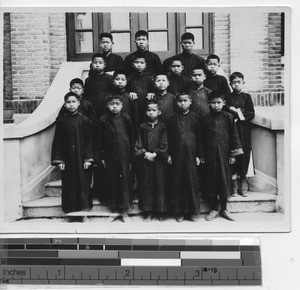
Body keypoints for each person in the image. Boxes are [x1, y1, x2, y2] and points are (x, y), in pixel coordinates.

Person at [199, 91, 243, 222]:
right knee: (211, 180)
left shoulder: (229, 117)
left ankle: (224, 209)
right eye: (213, 103)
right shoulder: (204, 118)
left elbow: (234, 136)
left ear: (223, 103)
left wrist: (233, 154)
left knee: (224, 179)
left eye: (219, 102)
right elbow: (200, 138)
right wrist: (201, 154)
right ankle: (214, 209)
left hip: (224, 154)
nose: (216, 105)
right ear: (209, 104)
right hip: (209, 154)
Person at [51, 92, 94, 221]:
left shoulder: (84, 120)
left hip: (82, 159)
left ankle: (84, 214)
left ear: (78, 103)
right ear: (65, 104)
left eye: (73, 102)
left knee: (83, 185)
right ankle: (69, 214)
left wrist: (88, 158)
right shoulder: (62, 121)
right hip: (68, 159)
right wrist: (60, 160)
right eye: (68, 102)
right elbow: (57, 141)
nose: (71, 104)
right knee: (69, 185)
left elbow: (89, 140)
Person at [98, 95, 134, 222]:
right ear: (107, 105)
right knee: (112, 181)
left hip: (124, 155)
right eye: (112, 104)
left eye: (117, 104)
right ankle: (113, 211)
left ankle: (124, 211)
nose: (114, 106)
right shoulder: (103, 119)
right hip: (109, 155)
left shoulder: (126, 118)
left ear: (122, 105)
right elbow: (100, 139)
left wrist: (131, 157)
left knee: (124, 181)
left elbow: (131, 137)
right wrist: (102, 156)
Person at [167, 93, 201, 222]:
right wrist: (169, 153)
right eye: (180, 101)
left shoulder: (195, 118)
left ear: (190, 102)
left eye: (185, 101)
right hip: (177, 154)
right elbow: (168, 138)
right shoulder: (172, 119)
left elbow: (199, 138)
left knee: (192, 182)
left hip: (192, 154)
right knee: (178, 182)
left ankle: (193, 212)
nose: (182, 103)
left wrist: (199, 155)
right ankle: (179, 211)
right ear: (177, 103)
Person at [135, 100, 168, 222]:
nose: (151, 112)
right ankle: (148, 211)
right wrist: (145, 153)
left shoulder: (163, 127)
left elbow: (165, 142)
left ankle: (160, 211)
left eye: (154, 110)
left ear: (159, 112)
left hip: (159, 161)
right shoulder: (142, 127)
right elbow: (138, 143)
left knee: (159, 185)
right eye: (149, 110)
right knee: (147, 185)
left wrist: (155, 153)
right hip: (145, 160)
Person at [226, 72, 255, 197]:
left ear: (243, 83)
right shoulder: (227, 97)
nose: (236, 85)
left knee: (243, 154)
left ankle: (243, 182)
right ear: (230, 84)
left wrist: (239, 112)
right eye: (234, 82)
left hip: (243, 129)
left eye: (239, 82)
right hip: (232, 129)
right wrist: (233, 111)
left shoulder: (247, 97)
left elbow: (251, 113)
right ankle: (233, 184)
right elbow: (226, 110)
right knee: (232, 155)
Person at [126, 56, 155, 128]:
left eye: (142, 63)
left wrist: (152, 93)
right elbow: (124, 90)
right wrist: (129, 93)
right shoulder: (129, 79)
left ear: (145, 65)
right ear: (133, 65)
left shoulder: (149, 78)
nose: (139, 65)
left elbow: (155, 90)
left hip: (146, 104)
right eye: (137, 62)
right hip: (134, 106)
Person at [84, 53, 113, 118]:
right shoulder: (88, 80)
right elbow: (86, 96)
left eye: (100, 63)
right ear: (91, 64)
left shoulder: (110, 79)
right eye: (95, 62)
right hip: (92, 111)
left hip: (106, 111)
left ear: (104, 65)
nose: (97, 65)